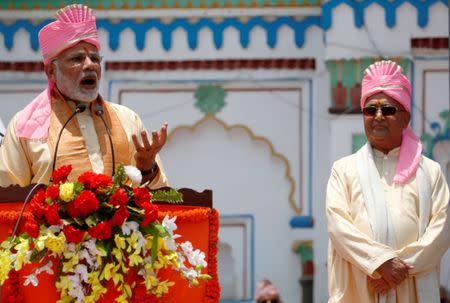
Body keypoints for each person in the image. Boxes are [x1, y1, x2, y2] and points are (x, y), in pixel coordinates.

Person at [0, 4, 169, 188]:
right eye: (77, 59)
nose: (90, 65)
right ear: (51, 71)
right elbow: (9, 202)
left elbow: (160, 198)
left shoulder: (127, 119)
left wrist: (147, 169)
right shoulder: (25, 127)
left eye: (95, 59)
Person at [326, 60, 450, 302]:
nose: (379, 116)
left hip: (412, 290)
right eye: (371, 110)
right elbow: (338, 227)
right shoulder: (343, 170)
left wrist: (399, 269)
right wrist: (379, 262)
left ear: (405, 118)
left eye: (389, 110)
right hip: (362, 290)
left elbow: (442, 230)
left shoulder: (430, 171)